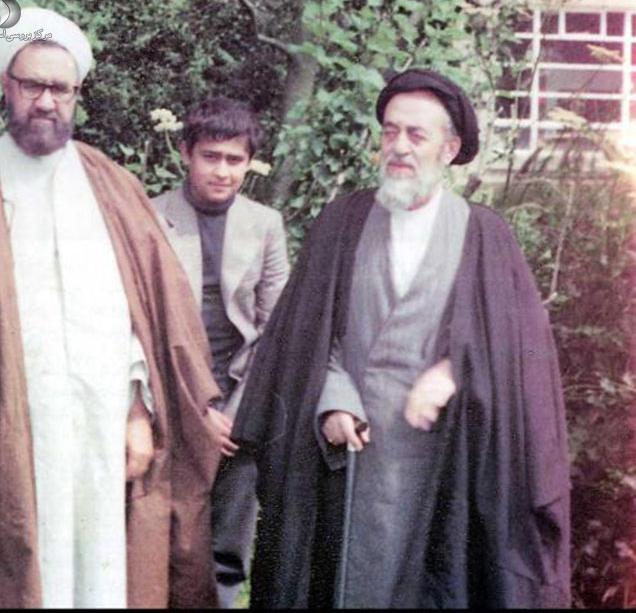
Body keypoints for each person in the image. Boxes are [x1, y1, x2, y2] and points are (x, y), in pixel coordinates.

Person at [231, 68, 571, 608]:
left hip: (441, 463)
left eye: (417, 134)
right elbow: (309, 335)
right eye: (390, 131)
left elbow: (517, 356)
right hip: (346, 458)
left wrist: (455, 370)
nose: (400, 147)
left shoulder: (485, 235)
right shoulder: (342, 222)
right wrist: (332, 399)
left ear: (449, 148)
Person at [0, 7, 222, 608]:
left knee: (104, 570)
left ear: (77, 94)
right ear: (5, 86)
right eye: (32, 85)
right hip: (2, 430)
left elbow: (146, 312)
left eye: (60, 89)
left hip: (101, 426)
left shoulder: (110, 185)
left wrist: (139, 409)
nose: (46, 101)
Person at [151, 97, 289, 608]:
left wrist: (237, 410)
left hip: (239, 394)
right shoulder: (150, 216)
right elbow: (143, 323)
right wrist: (195, 409)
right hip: (169, 389)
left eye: (235, 160)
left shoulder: (265, 224)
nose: (223, 171)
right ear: (186, 152)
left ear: (249, 162)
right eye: (211, 157)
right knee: (164, 528)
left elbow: (275, 328)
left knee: (228, 536)